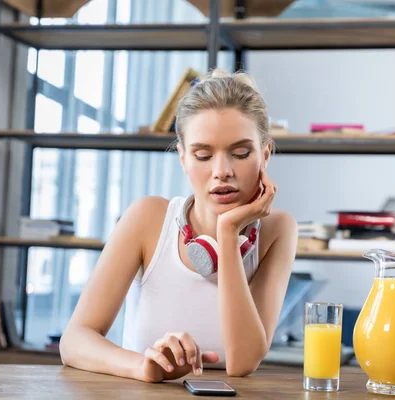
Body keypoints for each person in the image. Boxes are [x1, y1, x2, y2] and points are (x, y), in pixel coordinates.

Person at [59, 68, 298, 383]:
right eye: (202, 156)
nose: (221, 171)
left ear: (265, 154)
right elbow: (75, 340)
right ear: (183, 159)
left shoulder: (277, 230)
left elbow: (242, 362)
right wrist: (143, 366)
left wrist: (227, 233)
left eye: (240, 153)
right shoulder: (147, 218)